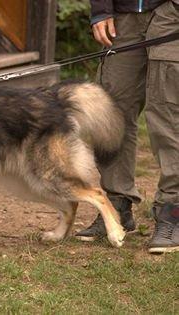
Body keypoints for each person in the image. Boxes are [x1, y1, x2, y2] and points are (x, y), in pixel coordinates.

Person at [75, 0, 179, 253]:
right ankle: (116, 206)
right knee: (112, 114)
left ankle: (172, 212)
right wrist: (100, 10)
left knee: (167, 114)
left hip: (170, 12)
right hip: (122, 16)